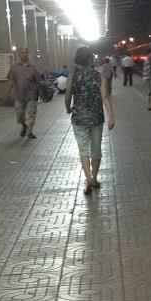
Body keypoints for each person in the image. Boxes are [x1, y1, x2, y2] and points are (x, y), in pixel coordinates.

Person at [65, 46, 115, 195]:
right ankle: (94, 177)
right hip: (96, 118)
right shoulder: (99, 76)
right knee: (96, 149)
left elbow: (68, 96)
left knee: (83, 150)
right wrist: (112, 116)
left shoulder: (72, 76)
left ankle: (88, 179)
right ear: (91, 59)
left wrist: (68, 108)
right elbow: (105, 96)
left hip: (79, 118)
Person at [7, 46, 40, 138]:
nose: (24, 54)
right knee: (19, 115)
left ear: (28, 54)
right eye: (22, 53)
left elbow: (38, 81)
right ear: (19, 54)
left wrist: (39, 93)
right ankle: (24, 126)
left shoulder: (33, 67)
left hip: (31, 95)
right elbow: (11, 80)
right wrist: (8, 92)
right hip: (18, 95)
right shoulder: (14, 67)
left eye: (26, 52)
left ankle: (29, 132)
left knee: (31, 114)